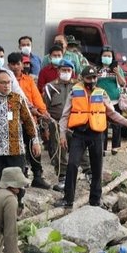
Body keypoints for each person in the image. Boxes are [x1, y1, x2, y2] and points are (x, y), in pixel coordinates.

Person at [56, 66, 127, 208]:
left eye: (94, 77)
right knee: (72, 165)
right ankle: (68, 199)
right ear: (82, 78)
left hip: (96, 134)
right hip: (79, 134)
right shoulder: (75, 92)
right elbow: (65, 116)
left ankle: (95, 200)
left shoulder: (101, 93)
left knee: (97, 167)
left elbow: (112, 114)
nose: (92, 80)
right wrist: (62, 135)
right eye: (89, 78)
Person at [43, 60, 91, 192]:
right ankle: (62, 178)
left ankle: (89, 173)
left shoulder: (79, 86)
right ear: (58, 71)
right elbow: (44, 109)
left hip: (76, 123)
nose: (66, 73)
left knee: (81, 149)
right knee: (60, 151)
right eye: (63, 70)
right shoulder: (50, 87)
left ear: (72, 72)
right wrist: (45, 128)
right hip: (57, 124)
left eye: (68, 70)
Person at [7, 52, 50, 189]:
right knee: (16, 148)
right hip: (12, 119)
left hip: (29, 117)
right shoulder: (5, 80)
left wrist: (43, 112)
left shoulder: (29, 80)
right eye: (12, 64)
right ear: (8, 65)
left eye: (18, 64)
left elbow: (36, 98)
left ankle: (37, 175)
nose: (15, 67)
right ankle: (21, 175)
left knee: (33, 146)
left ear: (22, 65)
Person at [96, 46, 126, 155]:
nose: (107, 58)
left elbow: (123, 83)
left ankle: (115, 147)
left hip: (115, 101)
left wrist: (117, 72)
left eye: (109, 56)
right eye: (105, 55)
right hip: (100, 101)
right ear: (101, 56)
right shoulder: (97, 69)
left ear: (112, 57)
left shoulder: (117, 68)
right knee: (102, 125)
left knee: (117, 124)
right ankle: (102, 148)